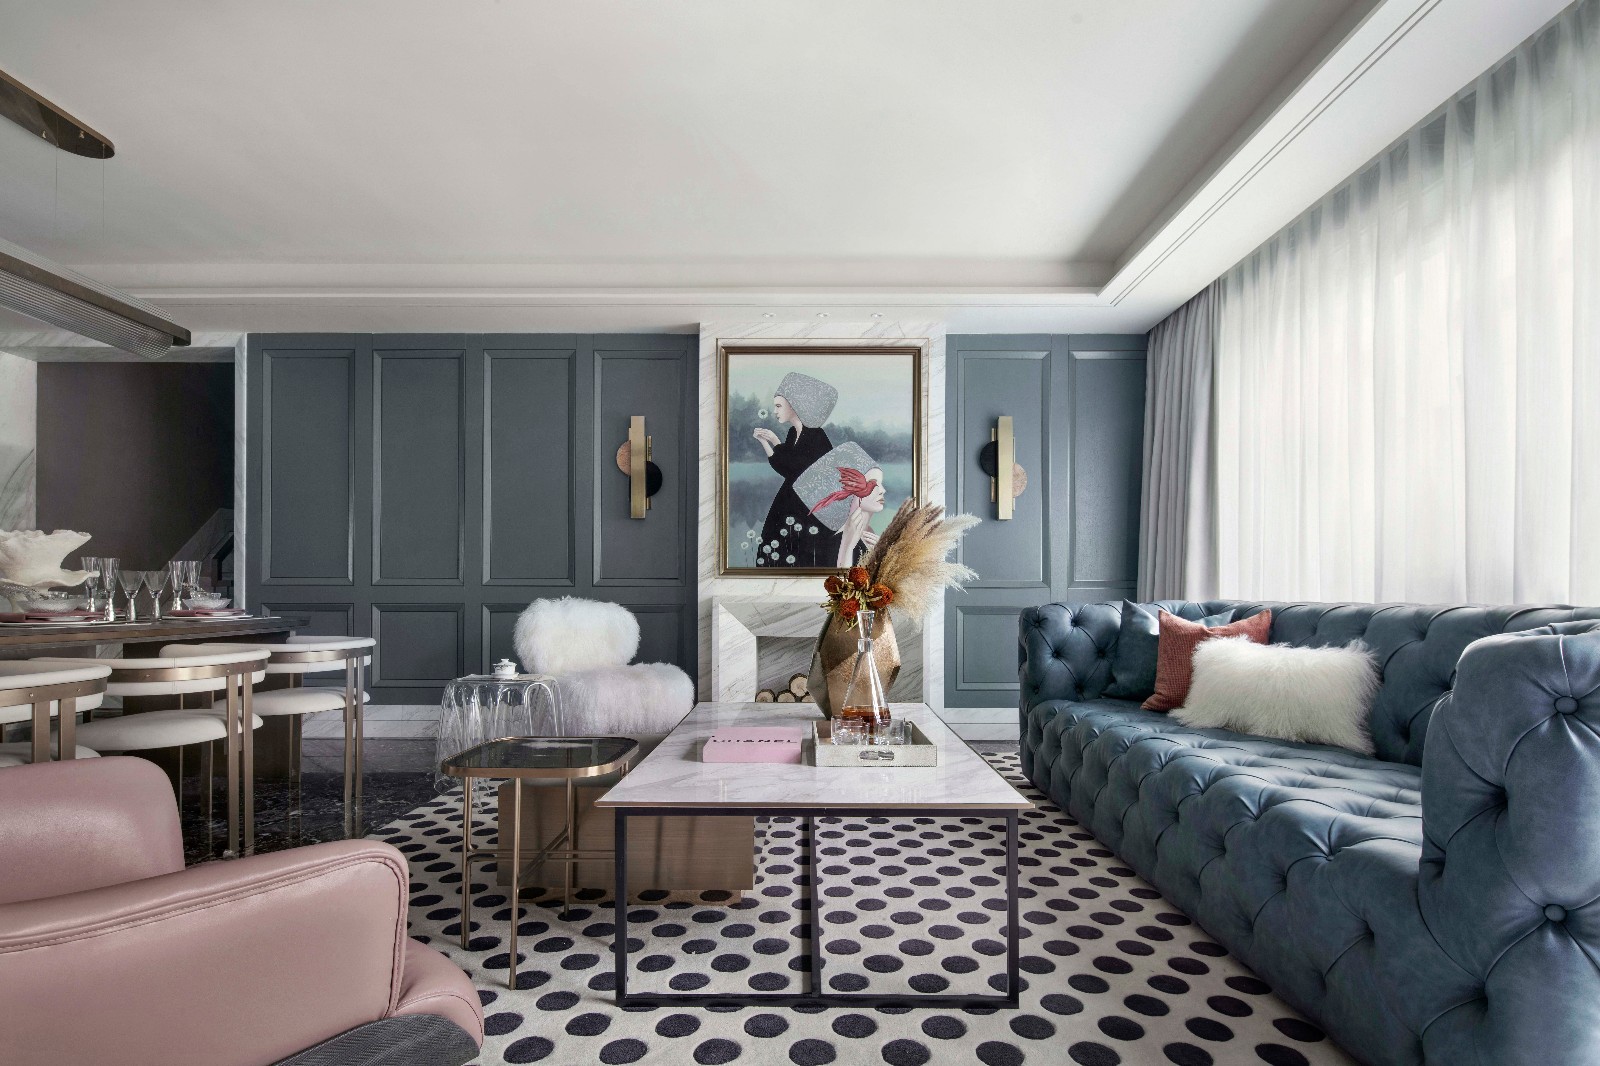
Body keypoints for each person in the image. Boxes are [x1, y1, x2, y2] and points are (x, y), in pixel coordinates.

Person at [751, 372, 840, 568]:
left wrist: (773, 442)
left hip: (809, 508)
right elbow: (786, 464)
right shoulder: (793, 432)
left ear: (794, 405)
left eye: (779, 406)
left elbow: (794, 468)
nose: (775, 411)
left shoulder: (816, 436)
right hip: (790, 502)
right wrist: (768, 442)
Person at [809, 465, 886, 567]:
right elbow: (841, 575)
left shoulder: (870, 535)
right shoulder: (837, 542)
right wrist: (847, 547)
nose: (882, 490)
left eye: (881, 483)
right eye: (872, 483)